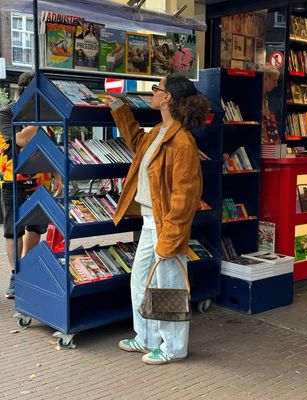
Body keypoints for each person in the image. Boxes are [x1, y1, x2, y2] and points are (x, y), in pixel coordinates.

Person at [104, 73, 211, 365]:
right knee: (141, 281)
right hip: (151, 223)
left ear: (168, 98)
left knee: (169, 288)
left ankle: (175, 347)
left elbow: (185, 195)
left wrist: (172, 239)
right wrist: (119, 109)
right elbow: (138, 141)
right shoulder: (160, 131)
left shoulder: (183, 142)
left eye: (157, 89)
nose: (153, 92)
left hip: (167, 227)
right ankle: (147, 338)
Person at [0, 72, 63, 298]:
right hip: (12, 180)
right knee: (12, 229)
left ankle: (27, 269)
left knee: (35, 227)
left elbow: (50, 145)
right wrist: (38, 119)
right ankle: (16, 274)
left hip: (40, 180)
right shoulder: (7, 113)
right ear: (28, 91)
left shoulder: (44, 114)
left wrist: (57, 174)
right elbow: (20, 140)